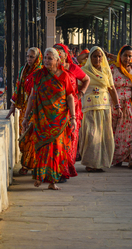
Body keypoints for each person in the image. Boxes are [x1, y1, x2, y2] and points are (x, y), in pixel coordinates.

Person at [22, 47, 76, 190]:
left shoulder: (64, 76)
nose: (46, 61)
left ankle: (52, 181)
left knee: (57, 150)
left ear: (58, 60)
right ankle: (40, 177)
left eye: (50, 58)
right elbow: (32, 96)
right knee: (42, 148)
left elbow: (70, 96)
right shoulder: (38, 75)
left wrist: (73, 117)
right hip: (41, 119)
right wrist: (26, 117)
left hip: (59, 120)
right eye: (45, 58)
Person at [80, 46, 121, 172]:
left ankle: (100, 163)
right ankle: (90, 163)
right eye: (94, 56)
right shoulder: (83, 70)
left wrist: (117, 106)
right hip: (89, 107)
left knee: (103, 136)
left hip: (104, 107)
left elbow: (112, 89)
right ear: (90, 57)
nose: (97, 59)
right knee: (91, 135)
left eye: (99, 56)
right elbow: (77, 88)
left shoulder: (106, 71)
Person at [53, 43, 90, 181]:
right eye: (55, 53)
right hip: (55, 111)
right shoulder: (51, 69)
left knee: (70, 140)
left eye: (60, 52)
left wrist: (81, 93)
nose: (57, 55)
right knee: (57, 141)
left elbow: (86, 79)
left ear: (65, 54)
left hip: (72, 109)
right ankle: (55, 169)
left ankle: (65, 169)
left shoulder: (72, 68)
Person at [6, 47, 43, 175]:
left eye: (32, 57)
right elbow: (18, 87)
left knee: (32, 138)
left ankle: (28, 165)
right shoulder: (23, 70)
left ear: (37, 58)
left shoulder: (41, 72)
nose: (29, 59)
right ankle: (28, 163)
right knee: (23, 138)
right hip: (24, 110)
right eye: (27, 56)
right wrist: (12, 107)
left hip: (37, 109)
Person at [110, 45, 132, 169]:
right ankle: (117, 159)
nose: (128, 58)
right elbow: (109, 86)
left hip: (129, 105)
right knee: (115, 133)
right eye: (125, 55)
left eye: (130, 56)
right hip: (115, 104)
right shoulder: (113, 68)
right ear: (120, 56)